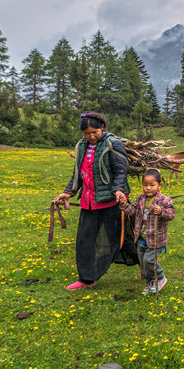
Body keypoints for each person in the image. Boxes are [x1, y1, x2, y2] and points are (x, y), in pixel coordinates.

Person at [52, 111, 135, 290]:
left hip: (112, 201)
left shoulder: (113, 144)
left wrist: (118, 190)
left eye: (94, 132)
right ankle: (87, 279)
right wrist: (68, 192)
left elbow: (121, 171)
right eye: (87, 133)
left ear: (102, 128)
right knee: (85, 240)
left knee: (121, 240)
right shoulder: (81, 146)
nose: (91, 136)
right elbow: (78, 173)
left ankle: (148, 267)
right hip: (89, 202)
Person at [120, 168, 175, 295]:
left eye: (152, 185)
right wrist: (124, 205)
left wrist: (161, 212)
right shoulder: (140, 198)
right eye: (145, 185)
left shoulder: (164, 200)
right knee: (142, 262)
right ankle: (150, 283)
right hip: (141, 238)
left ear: (159, 185)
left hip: (156, 238)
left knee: (149, 260)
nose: (148, 188)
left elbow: (171, 214)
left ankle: (160, 278)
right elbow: (133, 211)